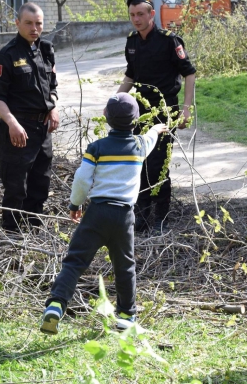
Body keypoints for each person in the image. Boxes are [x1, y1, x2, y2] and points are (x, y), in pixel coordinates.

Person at [39, 93, 168, 335]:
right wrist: (156, 129)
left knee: (75, 260)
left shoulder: (96, 148)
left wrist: (75, 205)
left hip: (97, 212)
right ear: (136, 120)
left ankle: (56, 304)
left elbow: (81, 179)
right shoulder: (139, 146)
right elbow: (149, 139)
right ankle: (127, 317)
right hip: (124, 217)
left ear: (106, 117)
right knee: (125, 266)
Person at [118, 0, 197, 233]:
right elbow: (131, 74)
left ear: (152, 14)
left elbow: (189, 73)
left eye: (141, 14)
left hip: (165, 111)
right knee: (139, 163)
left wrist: (186, 109)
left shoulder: (168, 40)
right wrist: (116, 98)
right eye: (132, 15)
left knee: (157, 164)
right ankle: (141, 216)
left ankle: (161, 217)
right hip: (139, 113)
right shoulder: (132, 41)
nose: (136, 19)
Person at [0, 2, 60, 234]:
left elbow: (52, 87)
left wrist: (53, 107)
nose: (34, 28)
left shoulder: (46, 50)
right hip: (18, 130)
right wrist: (12, 123)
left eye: (38, 23)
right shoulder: (4, 56)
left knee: (40, 184)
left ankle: (34, 231)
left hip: (42, 129)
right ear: (17, 23)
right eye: (28, 23)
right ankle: (12, 235)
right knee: (16, 187)